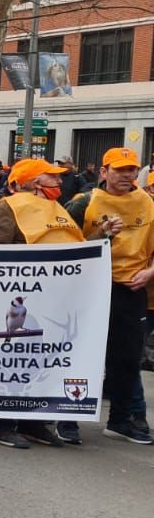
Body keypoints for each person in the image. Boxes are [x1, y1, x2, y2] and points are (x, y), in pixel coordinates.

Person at [64, 147, 154, 444]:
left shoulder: (148, 203)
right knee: (81, 354)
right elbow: (63, 246)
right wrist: (101, 234)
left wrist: (150, 272)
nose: (128, 175)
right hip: (89, 289)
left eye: (132, 169)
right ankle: (68, 419)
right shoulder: (84, 202)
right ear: (104, 172)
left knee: (127, 358)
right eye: (120, 169)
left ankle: (120, 421)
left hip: (131, 289)